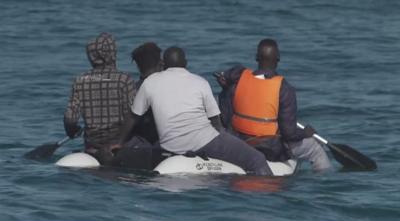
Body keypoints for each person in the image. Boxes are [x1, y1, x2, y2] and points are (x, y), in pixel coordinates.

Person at [116, 46, 273, 175]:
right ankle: (268, 200)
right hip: (204, 142)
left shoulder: (149, 83)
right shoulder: (200, 82)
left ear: (164, 64)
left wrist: (118, 142)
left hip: (170, 145)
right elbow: (216, 125)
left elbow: (133, 117)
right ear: (186, 63)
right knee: (256, 159)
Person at [216, 38, 331, 172]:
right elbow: (289, 134)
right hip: (268, 146)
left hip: (238, 140)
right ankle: (324, 181)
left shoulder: (239, 78)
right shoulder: (284, 89)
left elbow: (225, 115)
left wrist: (225, 88)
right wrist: (305, 133)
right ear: (278, 59)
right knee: (315, 149)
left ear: (256, 58)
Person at [64, 32, 153, 169]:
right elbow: (136, 116)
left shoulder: (81, 81)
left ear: (90, 55)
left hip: (92, 148)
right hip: (121, 146)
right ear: (113, 53)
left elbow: (70, 120)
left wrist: (73, 131)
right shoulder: (124, 80)